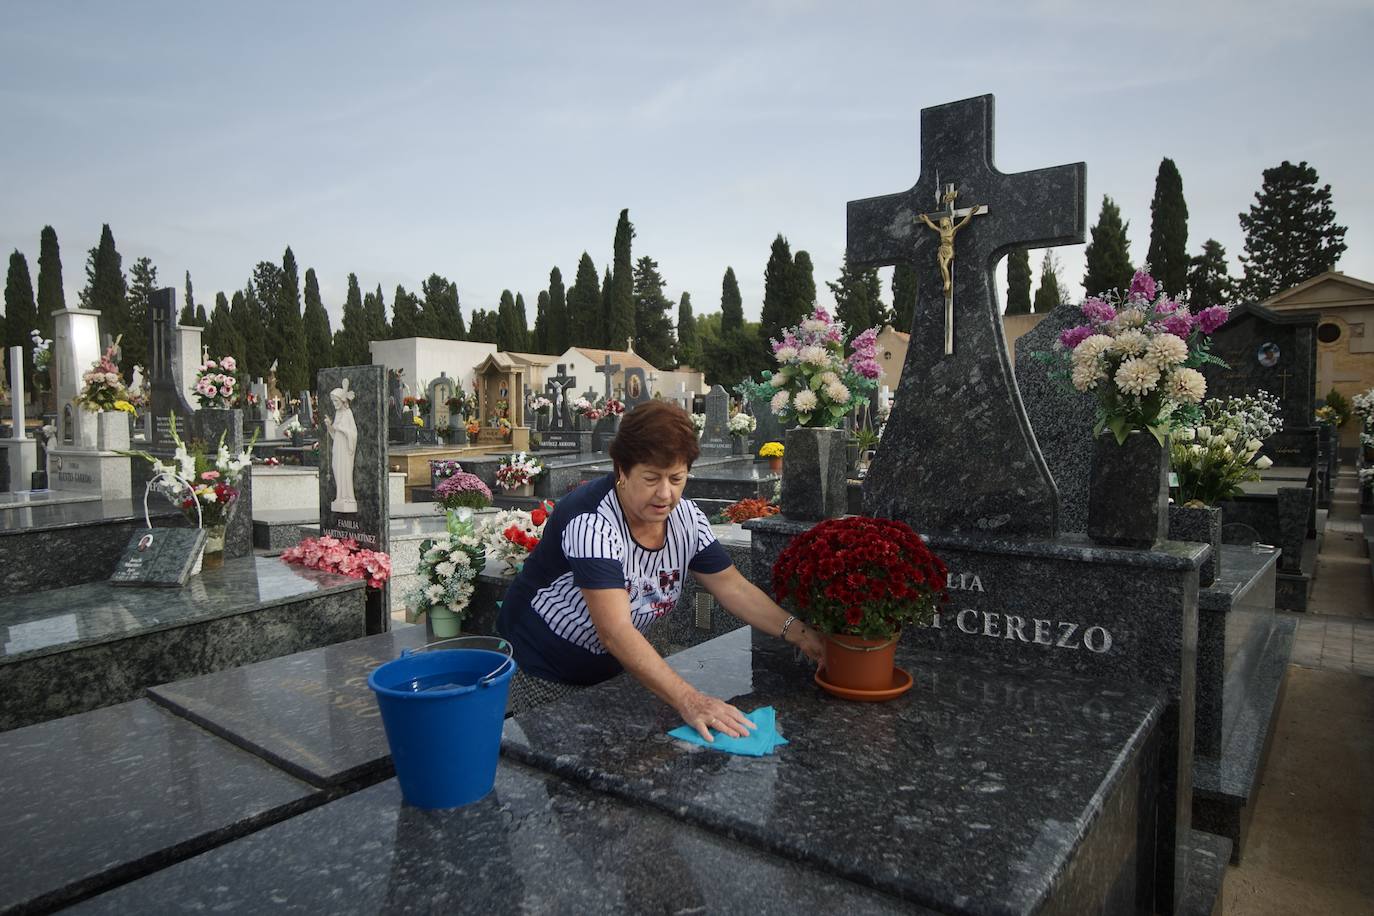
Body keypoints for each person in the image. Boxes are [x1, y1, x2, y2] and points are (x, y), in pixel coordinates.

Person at [498, 400, 825, 741]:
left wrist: (800, 634)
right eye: (651, 478)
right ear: (621, 470)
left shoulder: (686, 519)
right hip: (547, 666)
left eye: (677, 478)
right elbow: (615, 631)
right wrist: (690, 700)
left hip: (615, 665)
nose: (665, 494)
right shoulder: (591, 523)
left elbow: (734, 588)